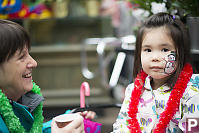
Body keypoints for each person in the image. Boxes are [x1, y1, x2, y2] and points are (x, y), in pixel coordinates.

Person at [0, 19, 95, 133]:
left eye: (29, 54)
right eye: (21, 57)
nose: (34, 63)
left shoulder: (20, 100)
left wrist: (65, 121)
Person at [112, 12, 199, 132]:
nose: (155, 57)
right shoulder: (132, 90)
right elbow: (121, 127)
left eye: (165, 49)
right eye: (148, 50)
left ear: (181, 52)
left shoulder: (191, 92)